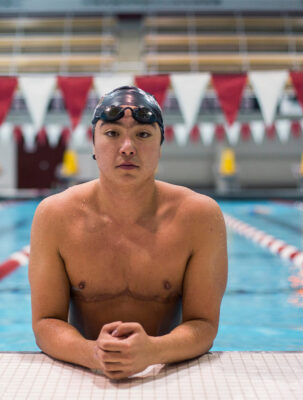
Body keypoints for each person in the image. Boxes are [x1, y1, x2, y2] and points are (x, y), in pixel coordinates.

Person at [29, 86, 228, 380]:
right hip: (88, 375)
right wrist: (92, 353)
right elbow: (46, 322)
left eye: (143, 134)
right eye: (112, 133)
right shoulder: (55, 216)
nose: (127, 147)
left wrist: (154, 351)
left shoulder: (200, 217)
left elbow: (204, 324)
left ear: (161, 145)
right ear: (93, 143)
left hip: (166, 374)